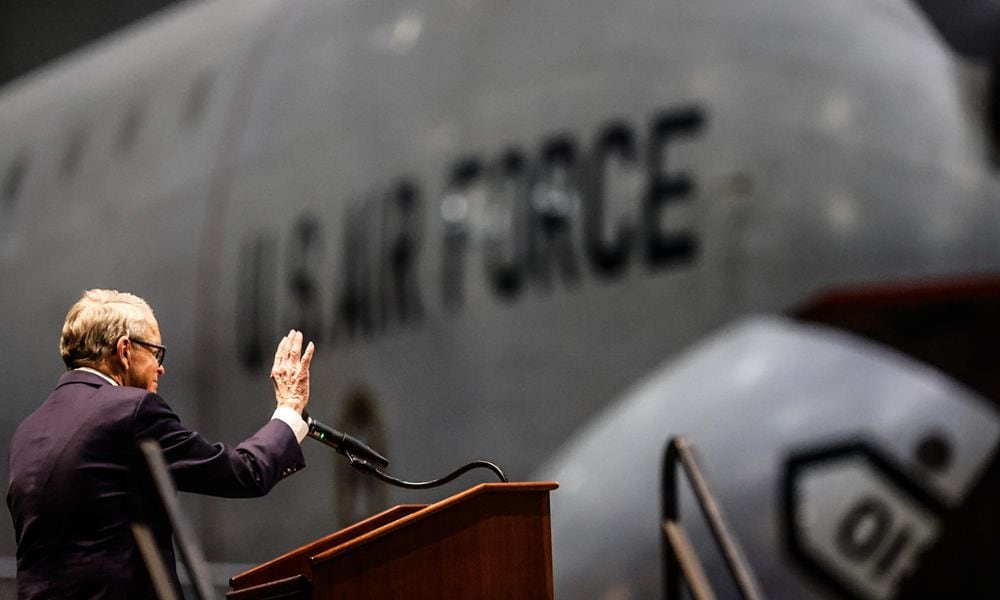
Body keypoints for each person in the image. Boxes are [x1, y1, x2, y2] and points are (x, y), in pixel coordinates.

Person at [6, 289, 316, 598]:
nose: (160, 367)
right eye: (156, 353)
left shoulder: (29, 431)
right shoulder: (131, 411)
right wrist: (289, 410)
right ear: (125, 351)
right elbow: (244, 472)